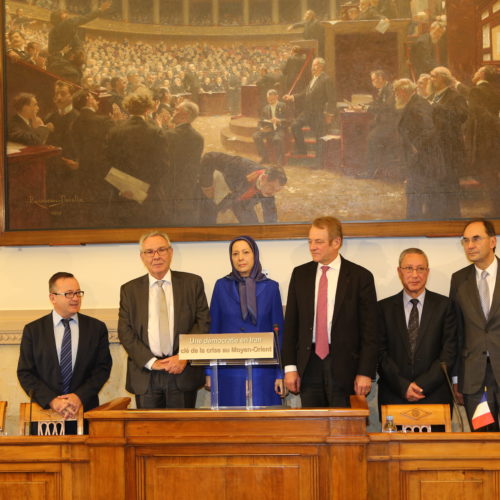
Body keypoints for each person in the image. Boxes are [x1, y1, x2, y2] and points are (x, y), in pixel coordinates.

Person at [282, 216, 378, 407]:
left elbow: (371, 331)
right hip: (309, 365)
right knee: (313, 430)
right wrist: (290, 367)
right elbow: (291, 325)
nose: (312, 247)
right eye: (310, 241)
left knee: (344, 431)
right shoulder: (300, 274)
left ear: (336, 242)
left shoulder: (361, 277)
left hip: (346, 367)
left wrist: (365, 372)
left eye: (319, 241)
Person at [118, 231, 210, 409]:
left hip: (182, 371)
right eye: (150, 252)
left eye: (161, 250)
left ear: (171, 252)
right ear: (142, 257)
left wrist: (184, 356)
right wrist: (152, 362)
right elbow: (125, 331)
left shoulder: (192, 283)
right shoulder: (129, 290)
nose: (156, 256)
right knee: (148, 434)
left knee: (181, 434)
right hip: (146, 374)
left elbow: (203, 323)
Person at [17, 272, 112, 428]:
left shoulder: (96, 328)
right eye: (68, 294)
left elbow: (102, 369)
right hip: (45, 415)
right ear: (52, 298)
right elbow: (25, 373)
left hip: (85, 411)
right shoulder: (33, 330)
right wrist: (52, 400)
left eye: (78, 293)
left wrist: (78, 397)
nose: (75, 298)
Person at [208, 236, 284, 407]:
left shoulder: (271, 287)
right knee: (231, 426)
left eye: (245, 252)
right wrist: (208, 372)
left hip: (263, 370)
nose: (240, 258)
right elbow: (213, 330)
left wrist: (280, 374)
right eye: (235, 254)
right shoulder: (221, 286)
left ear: (254, 255)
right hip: (229, 370)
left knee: (263, 426)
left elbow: (279, 334)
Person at [378, 248, 457, 411]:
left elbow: (449, 351)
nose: (415, 275)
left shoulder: (445, 306)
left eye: (420, 269)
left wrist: (422, 385)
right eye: (409, 268)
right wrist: (403, 386)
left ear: (427, 272)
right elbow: (379, 353)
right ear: (399, 272)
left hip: (435, 395)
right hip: (394, 394)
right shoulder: (382, 308)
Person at [450, 219, 500, 431]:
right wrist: (455, 377)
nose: (470, 245)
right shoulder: (459, 280)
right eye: (466, 240)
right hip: (474, 379)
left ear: (492, 241)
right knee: (483, 440)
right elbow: (455, 332)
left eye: (476, 239)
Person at [393, 78, 456, 220]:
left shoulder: (418, 105)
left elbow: (429, 129)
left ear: (403, 91)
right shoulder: (413, 103)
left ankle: (415, 219)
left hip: (424, 155)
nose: (395, 94)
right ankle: (417, 218)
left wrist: (416, 146)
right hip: (420, 156)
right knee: (417, 187)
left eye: (396, 91)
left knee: (417, 187)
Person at [199, 152, 287, 225]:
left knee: (253, 228)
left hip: (242, 202)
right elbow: (209, 157)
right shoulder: (239, 164)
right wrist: (207, 186)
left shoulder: (269, 192)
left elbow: (270, 216)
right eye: (271, 187)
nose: (272, 193)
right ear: (264, 178)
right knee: (208, 218)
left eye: (277, 190)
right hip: (222, 191)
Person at [283, 57, 335, 160]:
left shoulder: (326, 79)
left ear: (321, 67)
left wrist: (329, 114)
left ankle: (319, 162)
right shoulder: (313, 79)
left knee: (319, 136)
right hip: (306, 112)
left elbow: (332, 99)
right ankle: (302, 150)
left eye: (315, 65)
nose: (312, 68)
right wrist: (292, 97)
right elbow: (304, 93)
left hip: (318, 113)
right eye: (312, 65)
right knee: (295, 125)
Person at [163, 100, 204, 226]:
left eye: (176, 110)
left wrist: (163, 128)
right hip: (188, 186)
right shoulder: (198, 137)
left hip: (170, 186)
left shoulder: (169, 135)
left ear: (185, 115)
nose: (172, 113)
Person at [252, 89, 287, 166]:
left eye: (272, 99)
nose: (270, 100)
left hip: (279, 129)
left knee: (277, 139)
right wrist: (261, 128)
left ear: (277, 97)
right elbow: (260, 121)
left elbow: (289, 119)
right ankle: (264, 157)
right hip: (268, 130)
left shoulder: (283, 105)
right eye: (268, 99)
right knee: (256, 136)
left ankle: (279, 160)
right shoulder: (265, 108)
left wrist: (279, 120)